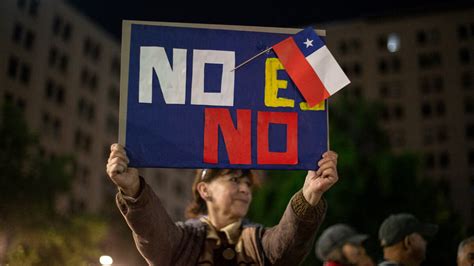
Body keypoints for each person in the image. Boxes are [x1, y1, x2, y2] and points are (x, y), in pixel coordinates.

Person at [106, 143, 340, 265]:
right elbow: (153, 233)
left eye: (248, 184)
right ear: (204, 189)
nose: (245, 189)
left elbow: (287, 246)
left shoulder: (258, 242)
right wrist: (133, 190)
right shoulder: (181, 242)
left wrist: (309, 195)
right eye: (234, 180)